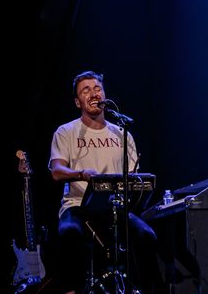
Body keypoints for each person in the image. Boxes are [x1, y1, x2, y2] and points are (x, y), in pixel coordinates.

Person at [49, 70, 161, 294]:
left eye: (97, 88)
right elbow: (57, 171)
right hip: (78, 206)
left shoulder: (122, 133)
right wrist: (82, 174)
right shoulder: (66, 132)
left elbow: (134, 178)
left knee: (147, 236)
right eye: (85, 90)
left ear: (104, 95)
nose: (93, 93)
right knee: (69, 233)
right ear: (77, 101)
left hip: (114, 208)